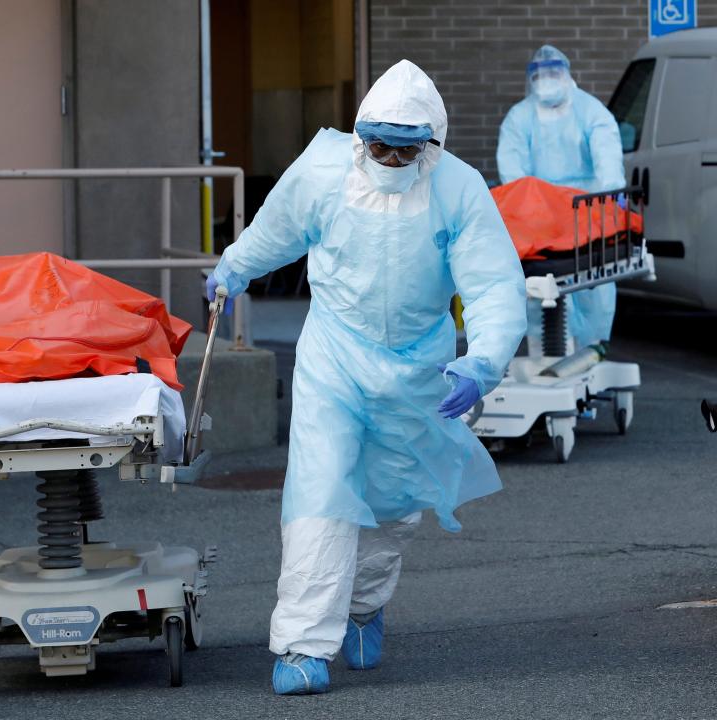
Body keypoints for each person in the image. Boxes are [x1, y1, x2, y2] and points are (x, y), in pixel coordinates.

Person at [206, 60, 527, 695]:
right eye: (377, 143)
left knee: (393, 508)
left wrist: (481, 361)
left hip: (418, 367)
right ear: (359, 135)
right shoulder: (324, 169)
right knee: (320, 494)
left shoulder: (459, 190)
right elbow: (275, 230)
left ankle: (363, 606)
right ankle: (303, 645)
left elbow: (493, 284)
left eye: (403, 148)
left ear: (429, 144)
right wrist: (233, 268)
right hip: (335, 355)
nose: (386, 157)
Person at [497, 45, 626, 350]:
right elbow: (513, 173)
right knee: (538, 295)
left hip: (586, 215)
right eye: (541, 75)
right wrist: (532, 207)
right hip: (540, 219)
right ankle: (544, 352)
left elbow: (608, 161)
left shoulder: (591, 113)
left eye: (554, 73)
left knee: (592, 293)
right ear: (531, 79)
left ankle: (592, 349)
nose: (547, 80)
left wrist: (612, 199)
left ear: (567, 75)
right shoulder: (520, 118)